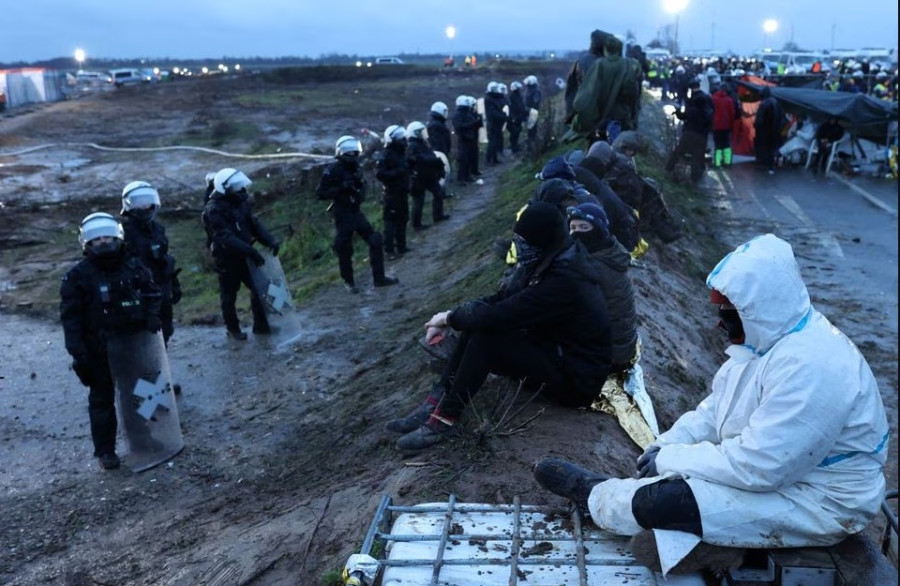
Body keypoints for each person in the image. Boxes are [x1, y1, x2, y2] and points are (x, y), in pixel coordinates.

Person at [533, 233, 889, 573]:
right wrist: (666, 445)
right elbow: (714, 411)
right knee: (678, 489)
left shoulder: (815, 366)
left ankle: (595, 497)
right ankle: (714, 543)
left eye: (728, 313)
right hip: (783, 478)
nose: (720, 322)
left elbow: (761, 465)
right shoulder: (764, 345)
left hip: (822, 501)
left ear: (757, 308)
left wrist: (672, 460)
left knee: (671, 501)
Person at [386, 202, 613, 452]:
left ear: (541, 241)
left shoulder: (565, 279)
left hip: (576, 380)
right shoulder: (550, 259)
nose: (519, 247)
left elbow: (504, 314)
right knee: (477, 324)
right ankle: (436, 402)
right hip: (556, 352)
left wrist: (451, 319)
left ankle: (445, 420)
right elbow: (503, 299)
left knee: (487, 339)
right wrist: (449, 316)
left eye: (525, 242)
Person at [60, 212, 163, 470]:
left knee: (138, 393)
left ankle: (144, 439)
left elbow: (152, 293)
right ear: (87, 244)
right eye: (97, 240)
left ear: (117, 237)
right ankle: (106, 451)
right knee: (101, 400)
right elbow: (70, 320)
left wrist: (151, 315)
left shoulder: (133, 266)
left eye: (108, 237)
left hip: (133, 343)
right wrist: (78, 353)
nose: (103, 243)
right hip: (99, 349)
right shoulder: (77, 277)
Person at [202, 168, 280, 339]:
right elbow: (225, 236)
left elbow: (254, 224)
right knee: (229, 294)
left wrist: (270, 240)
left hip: (245, 254)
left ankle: (260, 325)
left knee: (259, 288)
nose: (240, 188)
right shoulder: (213, 209)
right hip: (227, 258)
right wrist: (251, 251)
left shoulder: (241, 202)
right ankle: (233, 329)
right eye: (236, 186)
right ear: (226, 188)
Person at [316, 135, 398, 293]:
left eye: (355, 152)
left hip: (355, 211)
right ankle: (349, 282)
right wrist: (341, 188)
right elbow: (320, 193)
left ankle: (379, 278)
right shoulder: (333, 169)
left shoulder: (355, 167)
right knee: (344, 249)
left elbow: (362, 187)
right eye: (350, 153)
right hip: (342, 213)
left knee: (375, 239)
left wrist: (359, 188)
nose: (353, 156)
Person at [566, 203, 637, 373]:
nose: (577, 233)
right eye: (573, 227)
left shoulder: (594, 265)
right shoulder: (608, 252)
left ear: (598, 229)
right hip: (619, 346)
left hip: (611, 355)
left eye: (584, 227)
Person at [120, 181, 182, 347]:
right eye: (139, 202)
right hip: (139, 291)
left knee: (166, 330)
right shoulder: (123, 233)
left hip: (162, 287)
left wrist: (174, 284)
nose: (145, 206)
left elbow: (165, 258)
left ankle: (161, 364)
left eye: (147, 201)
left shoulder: (158, 229)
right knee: (142, 333)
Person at [570, 36, 639, 145]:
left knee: (597, 150)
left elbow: (588, 93)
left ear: (606, 49)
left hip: (600, 118)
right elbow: (632, 94)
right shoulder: (628, 65)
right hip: (621, 117)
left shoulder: (599, 65)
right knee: (618, 150)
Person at [665, 77, 713, 183]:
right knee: (698, 158)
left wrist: (677, 112)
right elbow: (710, 120)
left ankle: (668, 170)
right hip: (701, 135)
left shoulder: (692, 103)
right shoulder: (707, 102)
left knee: (678, 152)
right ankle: (695, 180)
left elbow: (683, 116)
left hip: (689, 133)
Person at [375, 124, 413, 256]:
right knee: (390, 222)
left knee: (403, 219)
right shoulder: (386, 155)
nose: (403, 141)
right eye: (400, 138)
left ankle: (401, 246)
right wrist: (398, 172)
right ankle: (389, 250)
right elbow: (380, 175)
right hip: (391, 193)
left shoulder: (401, 153)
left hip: (402, 191)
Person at [406, 121, 450, 230]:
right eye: (421, 131)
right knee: (418, 201)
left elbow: (428, 156)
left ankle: (438, 215)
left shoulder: (422, 144)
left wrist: (437, 166)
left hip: (428, 175)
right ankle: (416, 225)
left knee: (438, 193)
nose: (424, 133)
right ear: (415, 133)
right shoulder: (412, 146)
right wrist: (434, 161)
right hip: (418, 178)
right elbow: (420, 159)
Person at [564, 29, 612, 124]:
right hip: (598, 116)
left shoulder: (580, 62)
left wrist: (571, 113)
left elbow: (570, 89)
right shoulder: (603, 64)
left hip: (582, 114)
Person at [451, 95, 482, 184]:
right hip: (463, 139)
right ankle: (461, 178)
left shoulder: (467, 113)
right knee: (463, 159)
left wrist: (477, 123)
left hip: (470, 138)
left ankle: (467, 176)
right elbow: (459, 126)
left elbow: (471, 124)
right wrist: (472, 124)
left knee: (469, 158)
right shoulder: (458, 115)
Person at [753, 86, 784, 174]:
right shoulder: (775, 102)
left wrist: (756, 126)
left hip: (765, 130)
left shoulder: (764, 104)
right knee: (772, 148)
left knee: (764, 147)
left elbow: (759, 120)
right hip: (775, 129)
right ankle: (771, 164)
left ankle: (765, 163)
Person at [711, 83, 737, 168]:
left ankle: (717, 163)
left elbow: (710, 112)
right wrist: (732, 126)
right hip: (726, 126)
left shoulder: (713, 99)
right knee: (726, 145)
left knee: (718, 145)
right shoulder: (729, 100)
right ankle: (727, 162)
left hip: (716, 126)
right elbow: (732, 114)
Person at [484, 81, 508, 165]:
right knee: (492, 142)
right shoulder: (489, 99)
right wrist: (504, 117)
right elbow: (492, 112)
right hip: (492, 123)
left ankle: (494, 159)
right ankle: (489, 159)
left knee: (496, 141)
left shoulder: (497, 97)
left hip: (498, 123)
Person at [523, 75, 542, 151]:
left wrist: (527, 109)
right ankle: (531, 144)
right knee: (530, 129)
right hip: (529, 112)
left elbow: (535, 103)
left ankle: (531, 147)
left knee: (532, 129)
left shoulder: (535, 92)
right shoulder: (529, 90)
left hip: (532, 113)